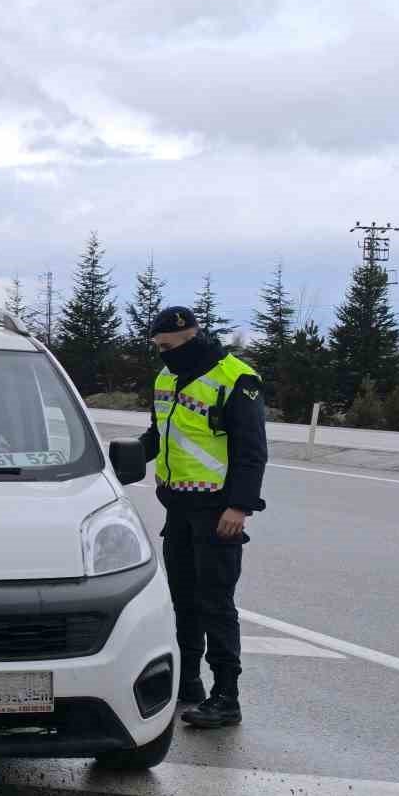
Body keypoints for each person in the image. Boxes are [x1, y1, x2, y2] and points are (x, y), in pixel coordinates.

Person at [139, 307, 268, 729]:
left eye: (169, 347)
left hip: (217, 510)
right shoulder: (165, 378)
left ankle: (226, 696)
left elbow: (251, 450)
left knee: (216, 604)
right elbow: (158, 435)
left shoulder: (235, 378)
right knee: (184, 600)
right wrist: (119, 459)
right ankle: (188, 680)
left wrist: (239, 506)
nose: (162, 355)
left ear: (191, 337)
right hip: (177, 505)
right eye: (157, 348)